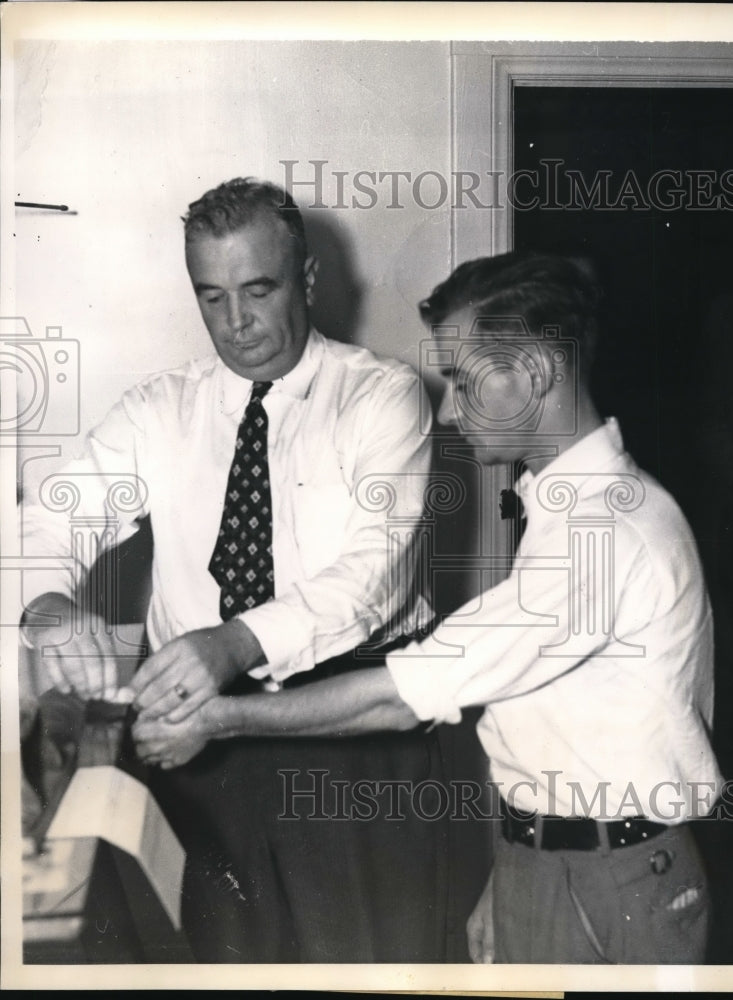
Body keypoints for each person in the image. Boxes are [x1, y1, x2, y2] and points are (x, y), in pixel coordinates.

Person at [132, 250, 724, 965]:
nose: (449, 410)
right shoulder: (569, 513)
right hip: (552, 859)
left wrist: (220, 718)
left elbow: (406, 697)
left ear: (533, 373)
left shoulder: (606, 534)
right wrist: (510, 876)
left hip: (612, 885)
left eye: (463, 382)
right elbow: (552, 724)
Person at [19, 178, 448, 963]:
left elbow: (370, 579)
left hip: (347, 743)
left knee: (362, 962)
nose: (237, 323)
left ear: (309, 279)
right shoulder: (159, 408)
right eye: (211, 298)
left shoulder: (382, 398)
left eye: (258, 289)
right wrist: (49, 607)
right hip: (193, 748)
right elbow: (46, 521)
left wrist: (232, 644)